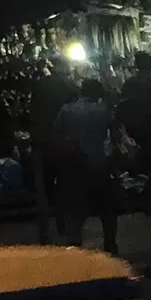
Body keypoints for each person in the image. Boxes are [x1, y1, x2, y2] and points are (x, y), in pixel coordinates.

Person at [48, 75, 120, 254]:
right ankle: (110, 244)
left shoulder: (66, 110)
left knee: (74, 212)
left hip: (74, 167)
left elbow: (55, 137)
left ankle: (75, 247)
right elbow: (114, 135)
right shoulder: (102, 111)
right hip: (98, 165)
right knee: (107, 210)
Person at [115, 54, 151, 217]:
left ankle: (144, 201)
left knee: (139, 167)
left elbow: (121, 107)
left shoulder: (130, 84)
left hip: (135, 132)